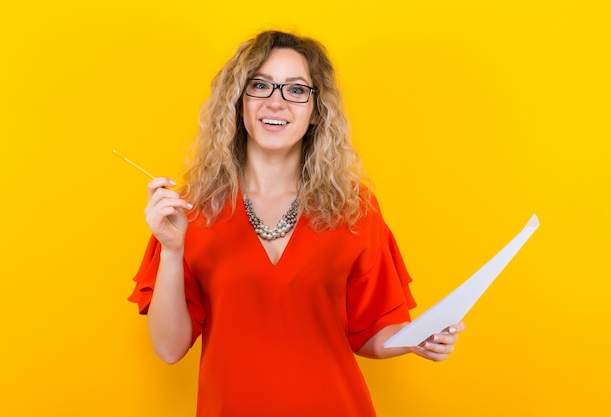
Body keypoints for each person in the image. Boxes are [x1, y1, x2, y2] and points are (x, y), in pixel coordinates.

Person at [129, 30, 465, 417]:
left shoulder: (354, 208)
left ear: (316, 108)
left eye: (295, 90)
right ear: (238, 102)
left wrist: (416, 339)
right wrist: (172, 251)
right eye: (260, 86)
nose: (276, 102)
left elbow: (369, 332)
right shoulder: (189, 210)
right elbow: (169, 349)